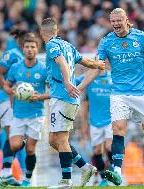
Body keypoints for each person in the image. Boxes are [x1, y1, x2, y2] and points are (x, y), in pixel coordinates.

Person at [97, 8, 144, 186]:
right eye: (112, 21)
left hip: (141, 94)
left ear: (126, 20)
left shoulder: (141, 37)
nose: (115, 24)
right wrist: (81, 83)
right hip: (119, 94)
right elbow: (97, 65)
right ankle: (117, 171)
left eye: (118, 21)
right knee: (118, 130)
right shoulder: (106, 42)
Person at [39, 18, 106, 188]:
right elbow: (86, 61)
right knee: (53, 140)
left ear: (42, 33)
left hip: (64, 97)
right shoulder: (68, 45)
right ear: (56, 30)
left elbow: (61, 62)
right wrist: (99, 64)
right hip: (64, 97)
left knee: (61, 138)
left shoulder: (52, 45)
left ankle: (66, 181)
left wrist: (68, 82)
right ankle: (85, 167)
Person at [2, 33, 49, 187]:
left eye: (32, 47)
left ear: (37, 49)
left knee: (30, 149)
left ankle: (27, 180)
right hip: (18, 114)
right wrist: (12, 92)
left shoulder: (44, 69)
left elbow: (55, 91)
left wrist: (40, 97)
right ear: (23, 49)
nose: (29, 49)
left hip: (36, 114)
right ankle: (6, 173)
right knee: (14, 145)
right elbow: (6, 85)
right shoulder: (15, 68)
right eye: (27, 47)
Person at [0, 29, 27, 186]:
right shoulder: (11, 53)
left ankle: (6, 173)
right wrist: (7, 90)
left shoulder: (29, 59)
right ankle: (5, 173)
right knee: (14, 137)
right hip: (6, 99)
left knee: (19, 139)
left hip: (19, 101)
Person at [77, 69, 113, 186]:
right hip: (94, 121)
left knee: (109, 146)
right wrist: (85, 124)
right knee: (97, 151)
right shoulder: (88, 79)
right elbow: (85, 103)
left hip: (110, 120)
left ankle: (113, 169)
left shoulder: (112, 78)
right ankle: (103, 178)